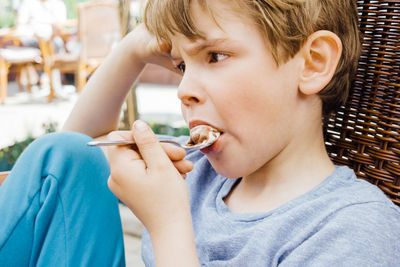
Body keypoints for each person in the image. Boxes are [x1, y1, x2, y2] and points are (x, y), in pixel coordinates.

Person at [1, 0, 399, 266]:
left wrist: (169, 224)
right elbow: (59, 193)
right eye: (180, 65)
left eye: (215, 56)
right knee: (61, 156)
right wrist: (131, 51)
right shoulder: (195, 173)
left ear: (312, 63)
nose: (183, 89)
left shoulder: (353, 229)